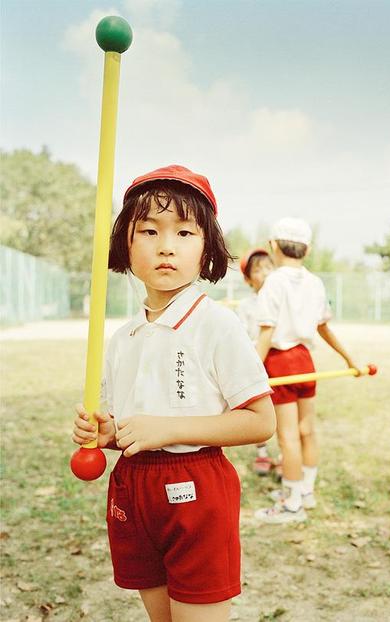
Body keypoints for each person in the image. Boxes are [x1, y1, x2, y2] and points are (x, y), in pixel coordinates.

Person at [72, 165, 276, 622]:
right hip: (132, 490)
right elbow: (130, 423)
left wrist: (165, 430)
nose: (166, 245)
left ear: (207, 250)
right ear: (125, 241)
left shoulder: (217, 324)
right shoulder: (122, 337)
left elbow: (261, 421)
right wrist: (108, 433)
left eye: (185, 232)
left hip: (197, 491)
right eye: (148, 230)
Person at [254, 217, 361, 524]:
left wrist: (249, 375)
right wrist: (349, 360)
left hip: (281, 362)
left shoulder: (273, 281)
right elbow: (324, 328)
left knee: (287, 437)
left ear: (273, 245)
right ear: (308, 250)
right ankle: (305, 491)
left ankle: (291, 504)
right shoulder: (315, 281)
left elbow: (265, 335)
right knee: (306, 430)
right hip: (305, 361)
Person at [237, 249, 275, 475]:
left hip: (277, 361)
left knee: (282, 412)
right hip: (256, 362)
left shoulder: (280, 300)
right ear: (248, 279)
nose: (265, 273)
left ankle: (284, 456)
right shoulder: (246, 306)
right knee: (258, 409)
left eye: (269, 267)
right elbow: (242, 338)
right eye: (258, 270)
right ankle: (262, 453)